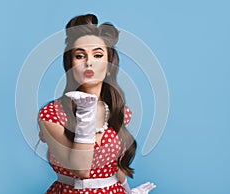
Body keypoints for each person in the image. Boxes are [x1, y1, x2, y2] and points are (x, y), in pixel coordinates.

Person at [37, 14, 156, 194]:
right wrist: (86, 113)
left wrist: (128, 191)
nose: (89, 62)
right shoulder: (51, 115)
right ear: (70, 65)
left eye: (98, 55)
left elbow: (117, 168)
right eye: (79, 56)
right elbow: (81, 169)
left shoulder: (118, 111)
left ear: (109, 66)